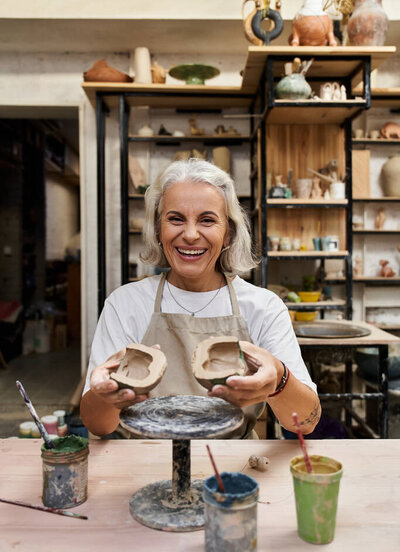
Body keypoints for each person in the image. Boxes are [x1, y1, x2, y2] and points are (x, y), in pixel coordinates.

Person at [81, 159, 320, 438]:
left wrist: (278, 378)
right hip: (144, 464)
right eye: (176, 219)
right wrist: (108, 396)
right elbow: (97, 425)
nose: (191, 234)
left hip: (232, 469)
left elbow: (305, 422)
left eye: (207, 220)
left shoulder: (262, 307)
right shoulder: (126, 303)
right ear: (158, 230)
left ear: (228, 234)